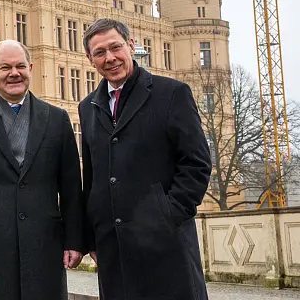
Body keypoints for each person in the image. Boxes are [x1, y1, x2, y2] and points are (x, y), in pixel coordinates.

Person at [79, 18, 211, 300]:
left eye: (115, 47)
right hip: (114, 250)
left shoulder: (172, 93)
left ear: (131, 45)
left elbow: (197, 163)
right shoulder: (87, 107)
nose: (110, 58)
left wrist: (167, 214)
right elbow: (91, 177)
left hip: (166, 245)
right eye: (100, 52)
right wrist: (93, 235)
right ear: (90, 59)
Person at [0, 40, 83, 299]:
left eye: (20, 66)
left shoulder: (57, 119)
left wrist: (75, 240)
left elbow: (71, 189)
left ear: (31, 68)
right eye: (5, 67)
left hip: (45, 243)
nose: (14, 73)